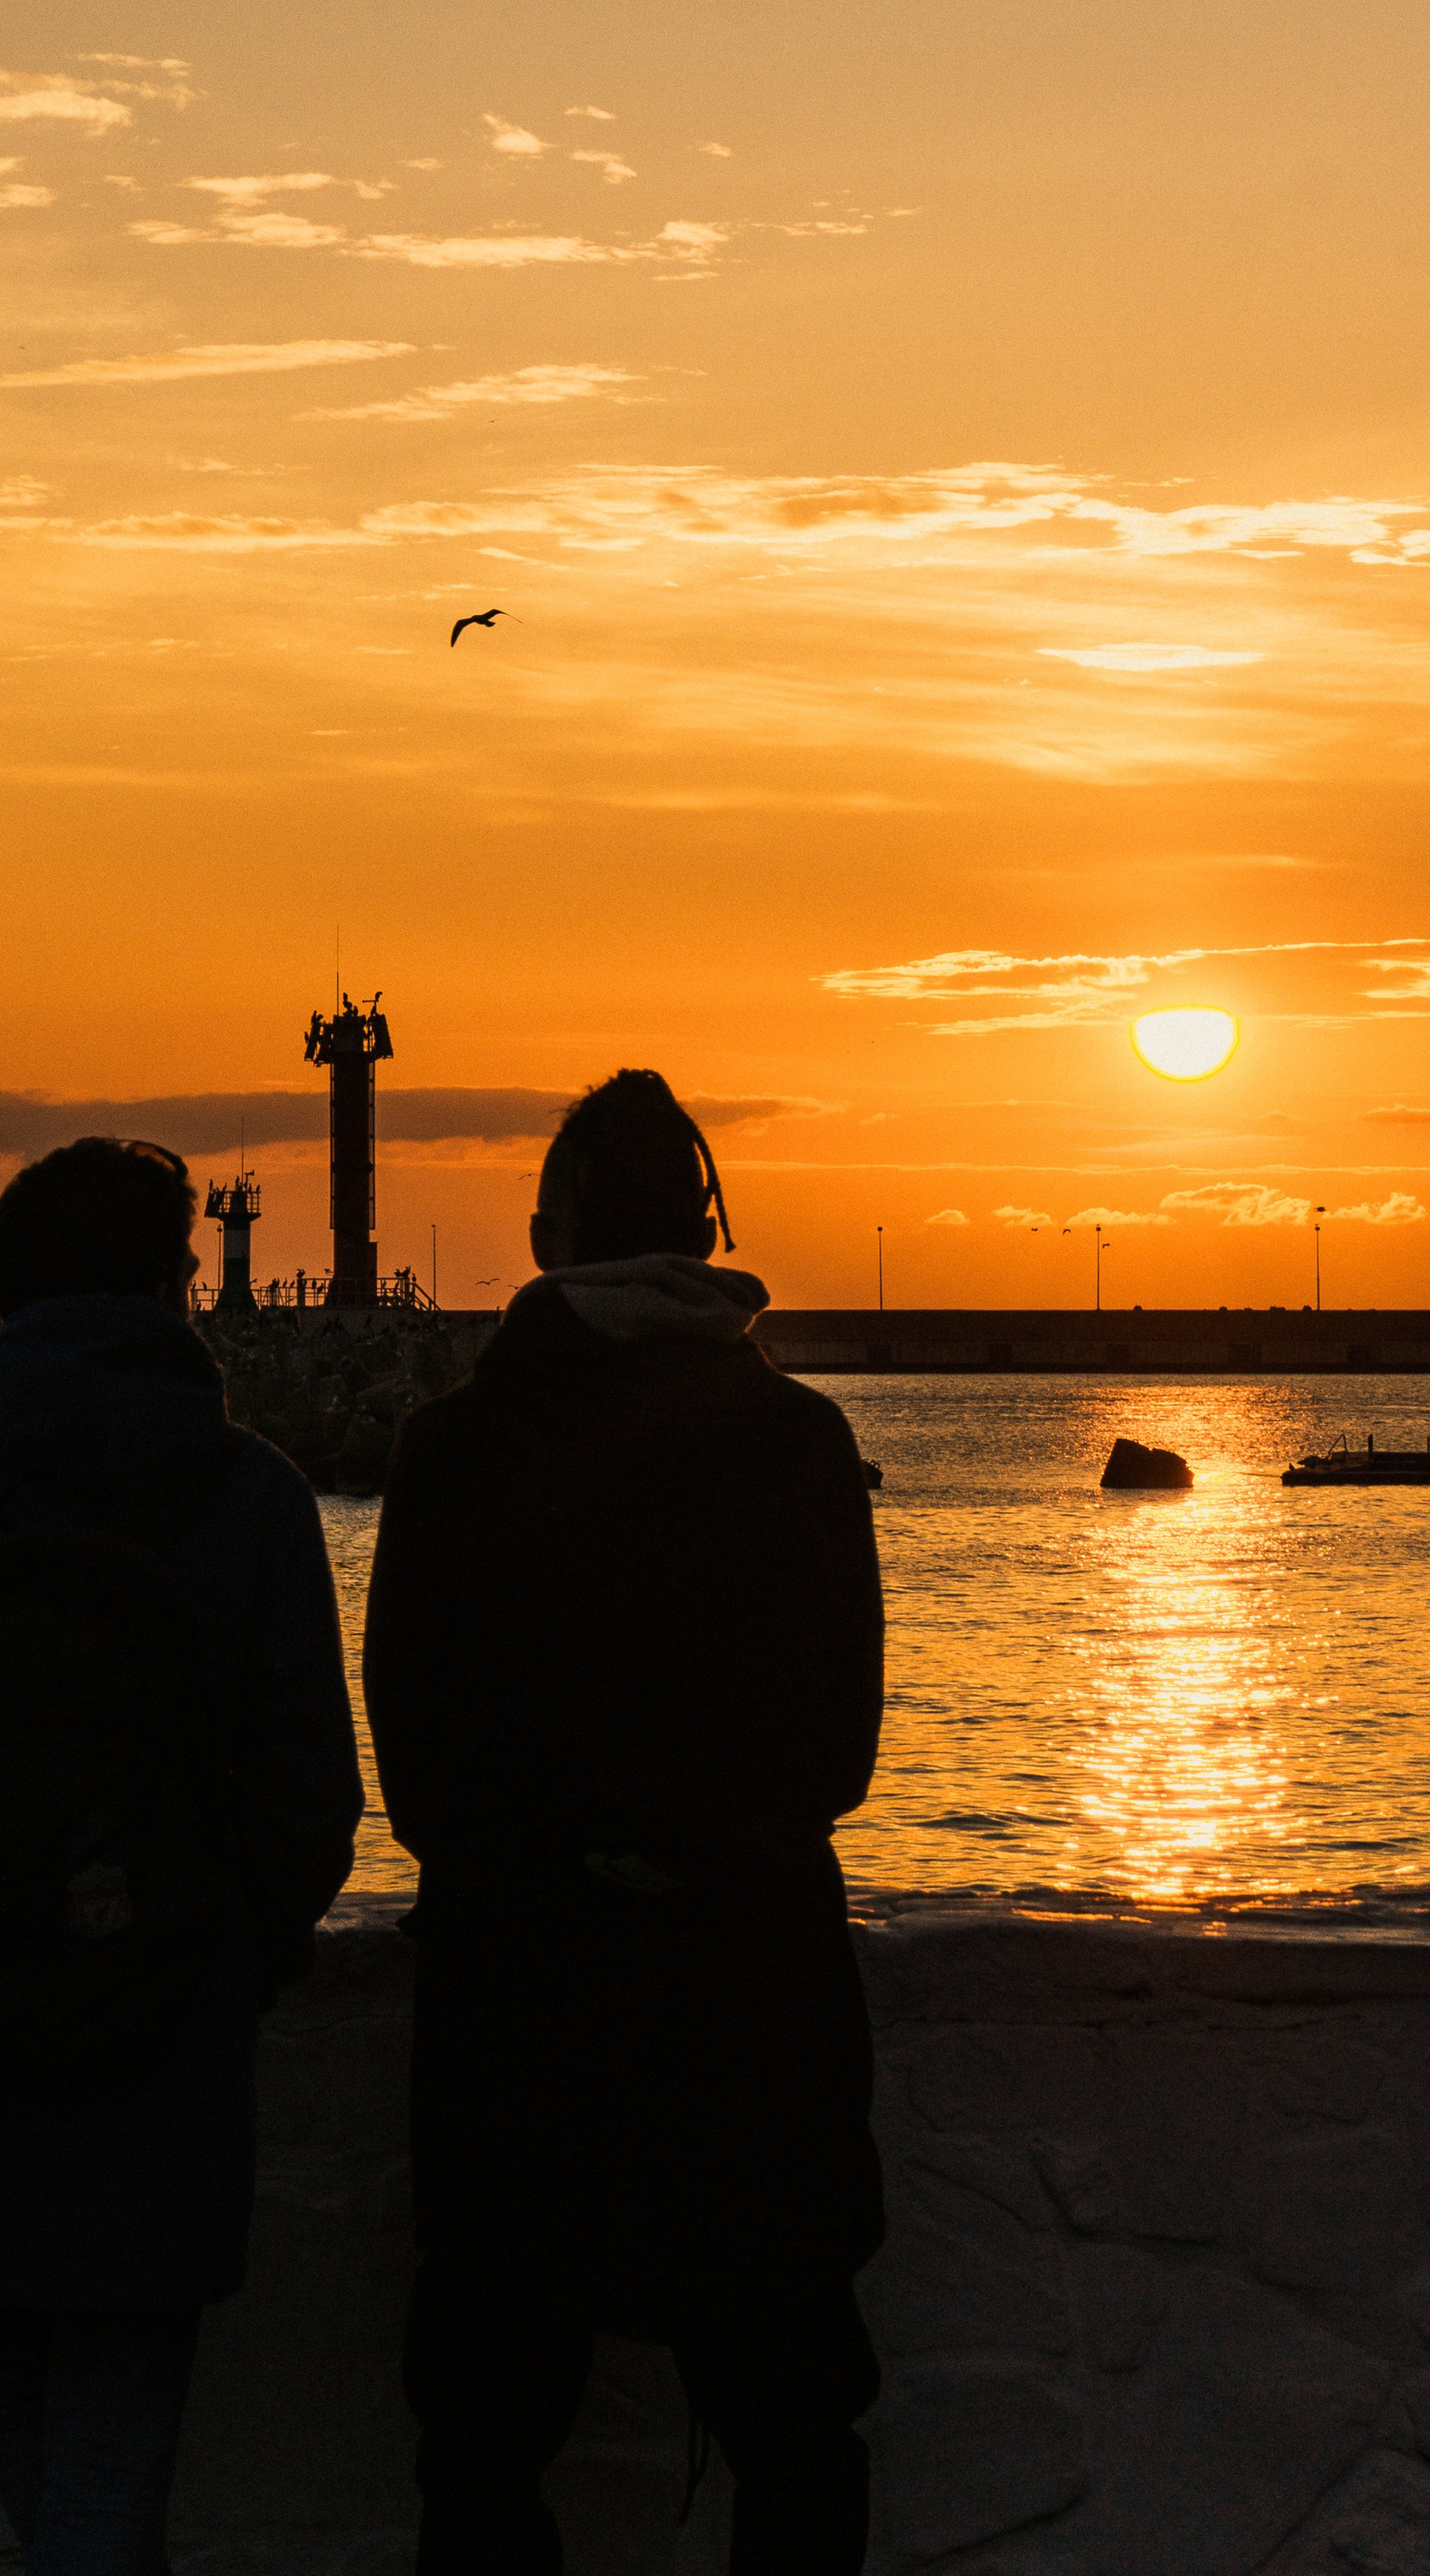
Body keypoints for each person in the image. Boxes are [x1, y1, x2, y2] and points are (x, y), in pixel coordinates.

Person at [0, 1137, 364, 2576]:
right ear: (177, 1282)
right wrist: (218, 1967)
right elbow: (312, 1808)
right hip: (158, 2055)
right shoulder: (251, 1496)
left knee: (24, 2406)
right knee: (113, 2427)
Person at [366, 1068, 886, 2574]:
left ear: (545, 1234)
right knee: (796, 2428)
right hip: (752, 2007)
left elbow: (415, 1769)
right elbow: (833, 1755)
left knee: (480, 2437)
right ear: (711, 1229)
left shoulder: (455, 1447)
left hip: (517, 2008)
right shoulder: (794, 1442)